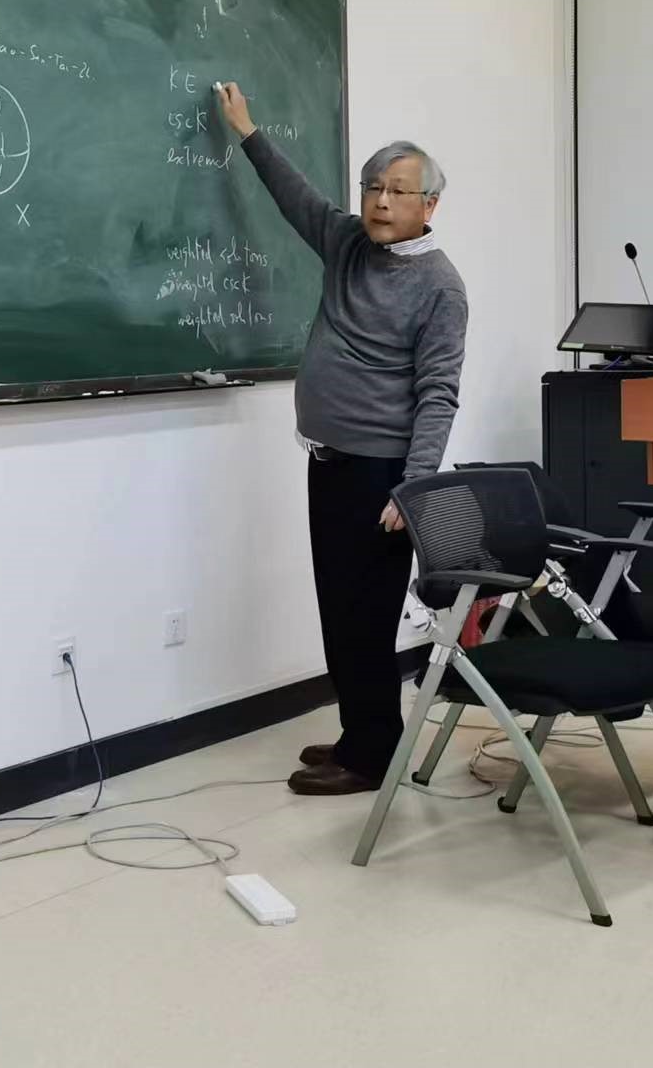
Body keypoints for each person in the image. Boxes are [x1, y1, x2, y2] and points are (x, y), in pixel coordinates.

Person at [216, 82, 467, 796]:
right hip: (329, 461)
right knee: (339, 609)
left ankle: (372, 756)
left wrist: (412, 489)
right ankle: (361, 733)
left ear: (429, 206)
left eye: (397, 192)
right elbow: (295, 197)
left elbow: (439, 394)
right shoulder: (348, 244)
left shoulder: (441, 287)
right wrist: (249, 133)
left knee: (366, 617)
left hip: (381, 475)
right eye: (372, 188)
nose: (380, 202)